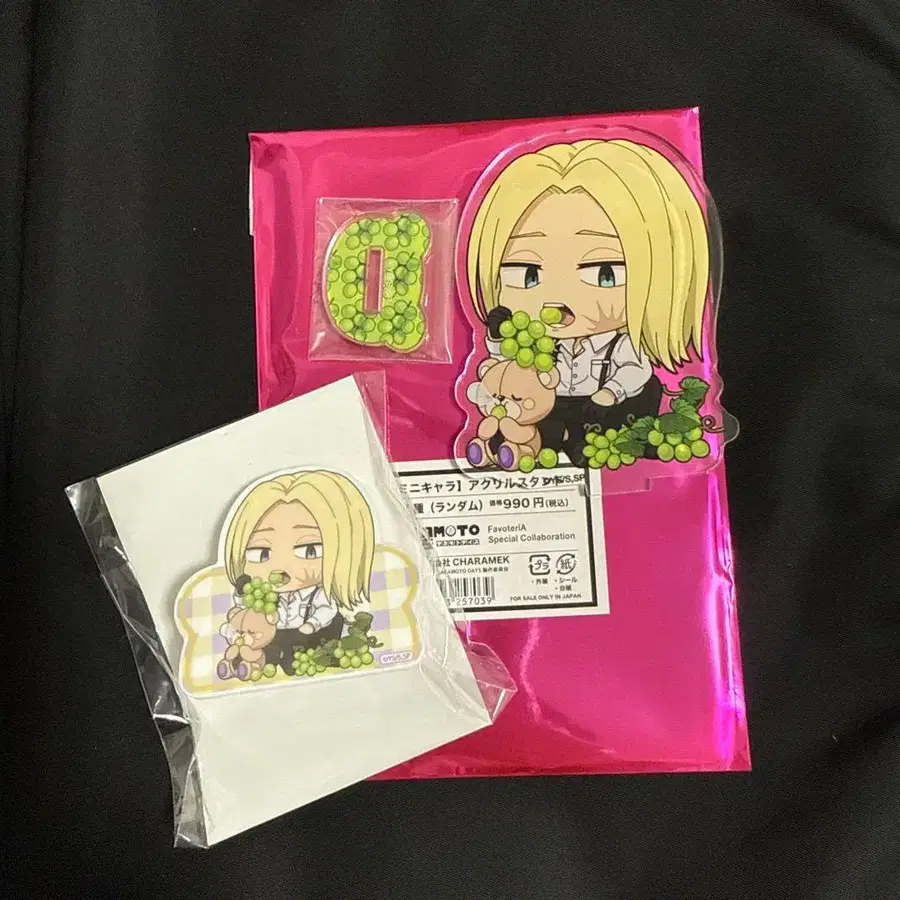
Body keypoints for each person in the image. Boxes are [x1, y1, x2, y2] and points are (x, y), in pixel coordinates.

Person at [465, 138, 711, 464]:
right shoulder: (537, 340)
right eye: (527, 274)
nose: (557, 295)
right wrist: (498, 336)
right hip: (558, 409)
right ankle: (510, 448)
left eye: (604, 273)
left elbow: (634, 371)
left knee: (613, 436)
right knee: (542, 429)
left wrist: (609, 393)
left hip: (610, 409)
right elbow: (511, 365)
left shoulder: (622, 344)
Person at [222, 470, 374, 675]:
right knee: (269, 653)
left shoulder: (318, 593)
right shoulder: (264, 594)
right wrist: (242, 592)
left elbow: (326, 610)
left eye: (310, 550)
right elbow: (245, 608)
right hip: (278, 637)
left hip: (314, 635)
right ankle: (245, 664)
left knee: (301, 657)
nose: (281, 566)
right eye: (261, 553)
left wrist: (311, 624)